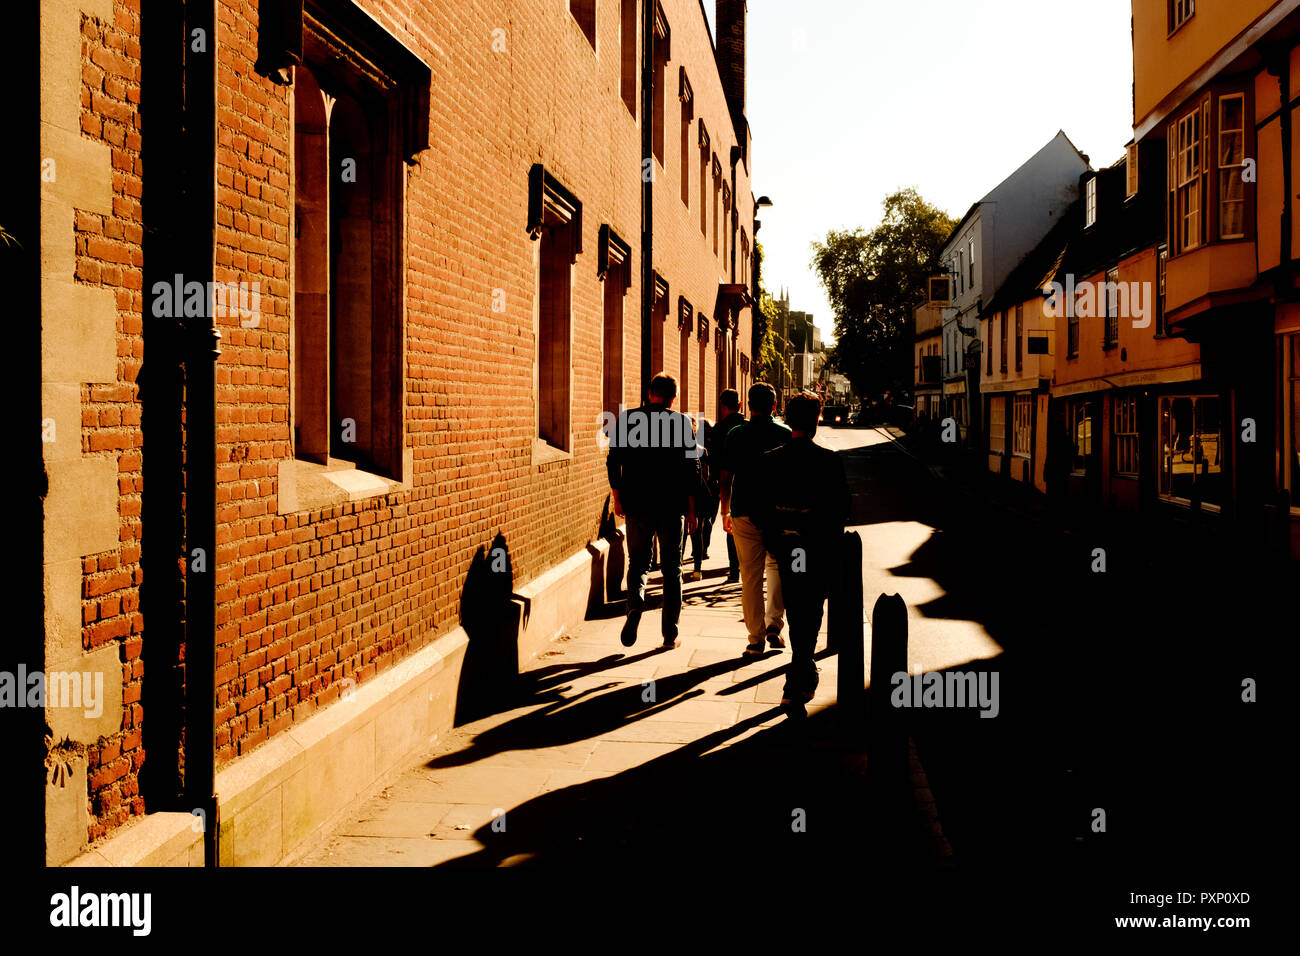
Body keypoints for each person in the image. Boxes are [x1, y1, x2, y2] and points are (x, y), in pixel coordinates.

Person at [752, 392, 850, 716]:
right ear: (817, 419)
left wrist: (774, 537)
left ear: (788, 419)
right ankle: (797, 680)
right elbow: (842, 510)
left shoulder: (771, 459)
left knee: (797, 610)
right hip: (817, 547)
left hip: (789, 548)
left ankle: (801, 677)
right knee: (811, 611)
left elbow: (759, 509)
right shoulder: (829, 460)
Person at [607, 373, 701, 650]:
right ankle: (670, 634)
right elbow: (692, 468)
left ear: (649, 393)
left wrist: (618, 497)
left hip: (637, 502)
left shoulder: (627, 420)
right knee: (673, 568)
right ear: (673, 398)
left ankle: (635, 605)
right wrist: (692, 508)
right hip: (672, 505)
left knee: (637, 562)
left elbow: (614, 461)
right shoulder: (681, 422)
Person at [720, 382, 790, 657]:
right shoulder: (784, 433)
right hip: (777, 512)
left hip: (744, 510)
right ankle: (775, 624)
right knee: (776, 568)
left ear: (748, 406)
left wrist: (724, 510)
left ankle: (755, 638)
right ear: (774, 406)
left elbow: (725, 478)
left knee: (750, 576)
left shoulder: (736, 434)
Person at [707, 389, 745, 583]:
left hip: (725, 483)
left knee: (731, 526)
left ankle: (734, 568)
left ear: (722, 406)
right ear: (740, 405)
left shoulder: (719, 429)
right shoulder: (745, 427)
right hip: (747, 483)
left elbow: (712, 459)